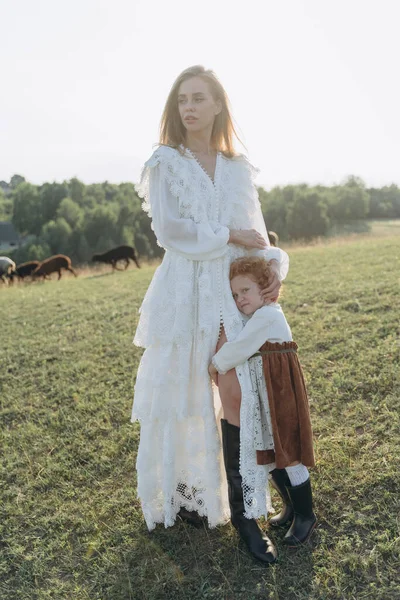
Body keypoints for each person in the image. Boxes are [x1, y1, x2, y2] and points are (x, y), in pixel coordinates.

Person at [132, 65, 289, 564]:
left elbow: (255, 229)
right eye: (182, 100)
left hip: (230, 291)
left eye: (199, 98)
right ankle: (189, 494)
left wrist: (270, 271)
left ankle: (247, 517)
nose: (190, 108)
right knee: (182, 393)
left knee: (236, 393)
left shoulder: (238, 167)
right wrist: (228, 236)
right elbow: (170, 230)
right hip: (184, 289)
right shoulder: (165, 162)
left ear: (218, 104)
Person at [209, 256, 317, 548]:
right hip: (269, 395)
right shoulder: (258, 315)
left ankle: (306, 516)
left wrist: (215, 363)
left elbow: (241, 347)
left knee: (290, 454)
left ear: (264, 290)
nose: (239, 298)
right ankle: (292, 507)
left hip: (281, 392)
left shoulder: (268, 315)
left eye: (245, 291)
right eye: (235, 294)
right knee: (273, 453)